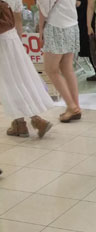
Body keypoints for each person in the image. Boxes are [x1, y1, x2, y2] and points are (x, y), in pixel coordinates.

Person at [0, 0, 53, 138]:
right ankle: (29, 121)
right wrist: (17, 43)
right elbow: (18, 22)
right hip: (12, 39)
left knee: (8, 83)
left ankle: (24, 123)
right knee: (21, 79)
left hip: (2, 43)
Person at [38, 0, 82, 123]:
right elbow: (77, 3)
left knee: (51, 69)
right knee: (67, 68)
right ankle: (75, 106)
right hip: (72, 25)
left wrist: (40, 29)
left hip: (56, 26)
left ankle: (72, 106)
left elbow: (43, 8)